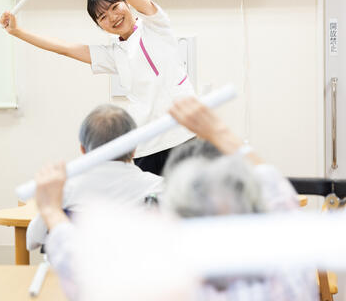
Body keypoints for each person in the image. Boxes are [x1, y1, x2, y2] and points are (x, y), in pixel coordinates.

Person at [34, 97, 316, 301]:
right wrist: (219, 132)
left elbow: (48, 244)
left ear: (83, 148)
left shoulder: (133, 288)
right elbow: (279, 200)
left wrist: (51, 209)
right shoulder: (289, 278)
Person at [0, 0, 195, 175]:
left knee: (195, 207)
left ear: (127, 4)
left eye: (114, 7)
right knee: (152, 209)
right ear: (101, 27)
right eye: (103, 17)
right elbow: (65, 48)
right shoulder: (114, 54)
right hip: (148, 145)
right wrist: (17, 32)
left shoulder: (155, 24)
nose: (112, 17)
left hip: (185, 134)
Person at [26, 104, 163, 250]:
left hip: (74, 270)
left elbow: (32, 240)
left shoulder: (63, 190)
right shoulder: (158, 187)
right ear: (134, 148)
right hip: (135, 270)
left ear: (83, 150)